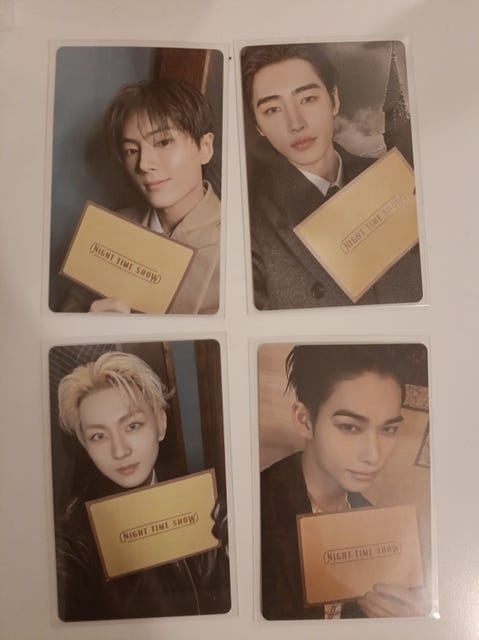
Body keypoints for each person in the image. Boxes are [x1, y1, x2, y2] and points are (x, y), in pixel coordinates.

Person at [241, 44, 422, 310]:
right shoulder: (249, 226)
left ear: (334, 100)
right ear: (258, 126)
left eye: (307, 99)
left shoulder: (400, 180)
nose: (296, 123)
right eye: (272, 110)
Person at [54, 351, 230, 621]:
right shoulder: (71, 539)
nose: (120, 451)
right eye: (98, 436)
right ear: (85, 447)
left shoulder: (204, 495)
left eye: (132, 426)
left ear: (161, 424)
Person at [260, 344, 429, 619]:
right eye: (350, 427)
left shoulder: (377, 525)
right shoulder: (252, 513)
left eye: (388, 429)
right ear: (304, 421)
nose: (373, 455)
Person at [62, 77, 220, 314]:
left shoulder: (243, 243)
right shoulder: (109, 229)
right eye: (131, 150)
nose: (144, 164)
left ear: (205, 147)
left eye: (163, 142)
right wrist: (88, 325)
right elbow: (65, 321)